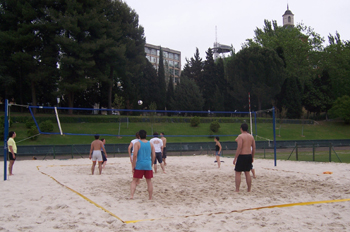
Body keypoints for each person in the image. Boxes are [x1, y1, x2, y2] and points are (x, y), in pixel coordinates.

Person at [130, 129, 156, 200]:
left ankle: (132, 195)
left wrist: (133, 165)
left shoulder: (137, 144)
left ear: (139, 136)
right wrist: (152, 163)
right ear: (146, 135)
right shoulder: (150, 144)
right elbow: (154, 155)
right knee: (149, 181)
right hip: (148, 164)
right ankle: (150, 197)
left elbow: (135, 155)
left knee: (134, 180)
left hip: (140, 164)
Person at [233, 123, 256, 192]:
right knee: (247, 172)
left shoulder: (240, 136)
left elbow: (239, 147)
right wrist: (252, 156)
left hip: (242, 155)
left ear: (241, 129)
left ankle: (237, 189)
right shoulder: (251, 137)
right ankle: (249, 189)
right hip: (249, 155)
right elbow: (254, 147)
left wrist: (235, 158)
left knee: (238, 172)